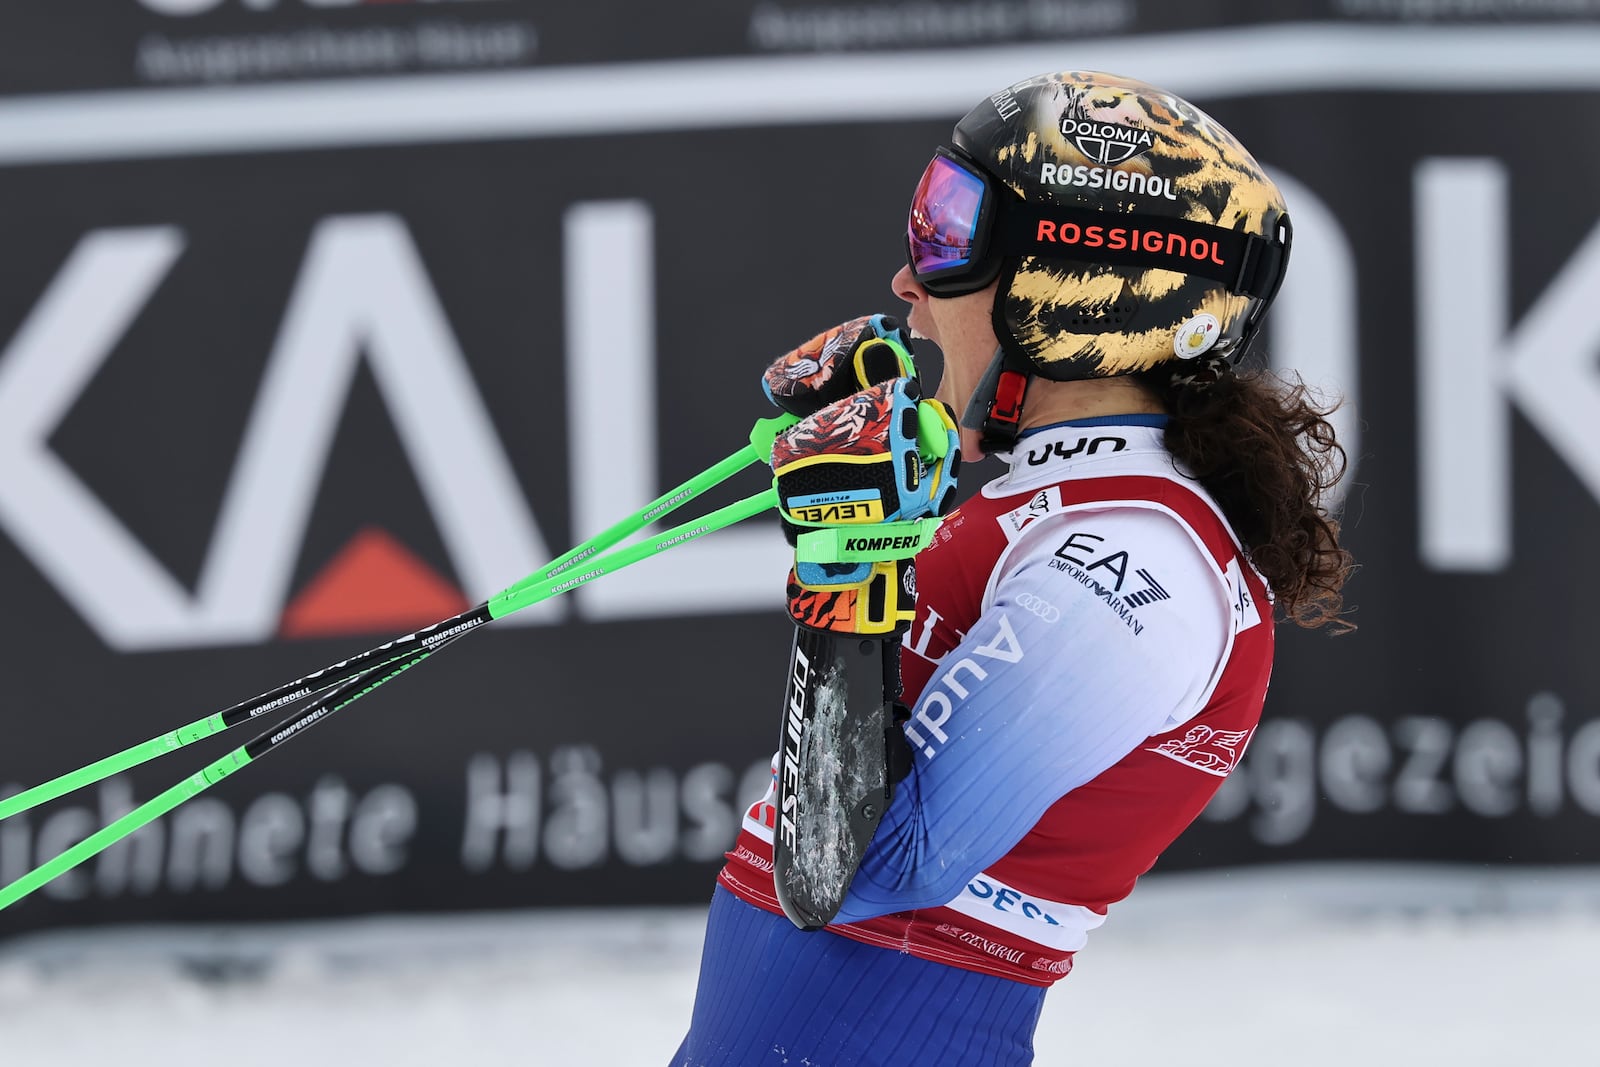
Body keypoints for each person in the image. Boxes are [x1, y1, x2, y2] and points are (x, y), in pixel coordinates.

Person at [673, 70, 1354, 1067]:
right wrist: (900, 466)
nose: (908, 279)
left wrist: (848, 576)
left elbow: (863, 867)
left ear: (1078, 294)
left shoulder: (1132, 564)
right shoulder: (1066, 508)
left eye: (950, 237)